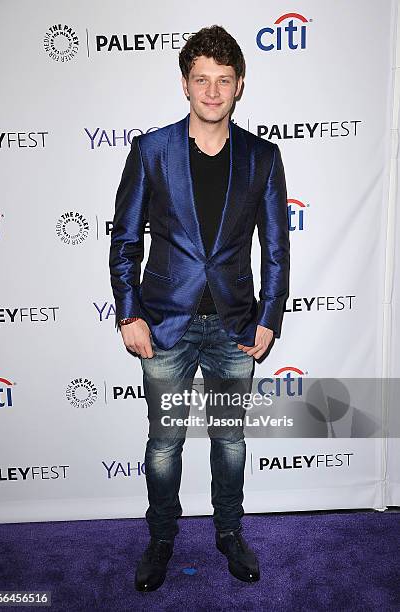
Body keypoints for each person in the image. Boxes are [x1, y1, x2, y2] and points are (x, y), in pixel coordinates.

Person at [109, 25, 290, 591]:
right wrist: (128, 312)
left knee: (230, 441)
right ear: (186, 85)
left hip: (236, 325)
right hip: (164, 324)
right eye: (201, 80)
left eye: (224, 81)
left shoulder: (262, 157)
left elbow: (278, 246)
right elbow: (125, 240)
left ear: (239, 88)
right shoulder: (152, 149)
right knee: (165, 442)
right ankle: (161, 538)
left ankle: (229, 531)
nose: (212, 91)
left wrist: (268, 318)